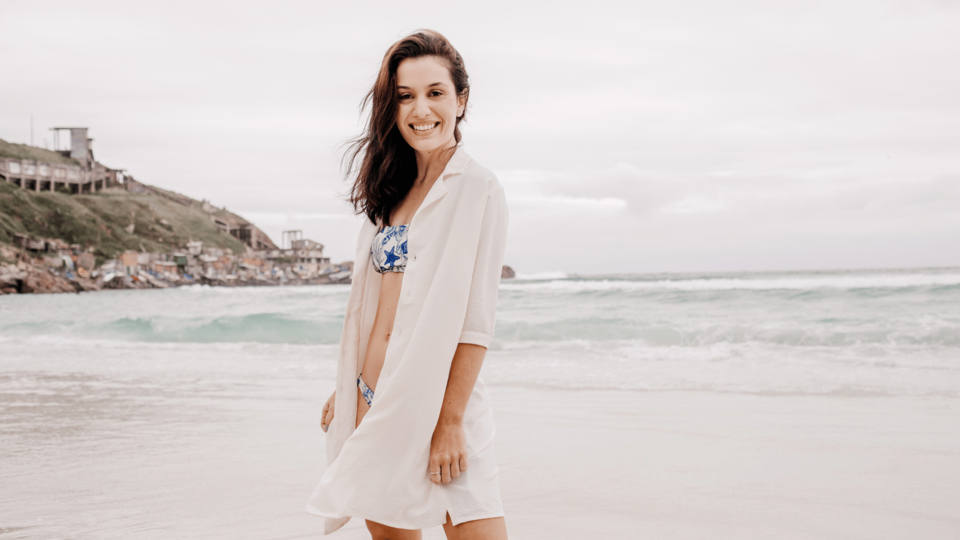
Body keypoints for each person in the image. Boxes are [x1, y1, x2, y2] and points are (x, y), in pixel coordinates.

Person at [306, 30, 510, 540]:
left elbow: (475, 320)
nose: (421, 109)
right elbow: (372, 308)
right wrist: (347, 384)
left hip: (438, 401)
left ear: (462, 100)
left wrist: (449, 421)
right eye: (405, 96)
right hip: (374, 397)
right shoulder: (391, 190)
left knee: (474, 521)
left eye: (436, 92)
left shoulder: (478, 187)